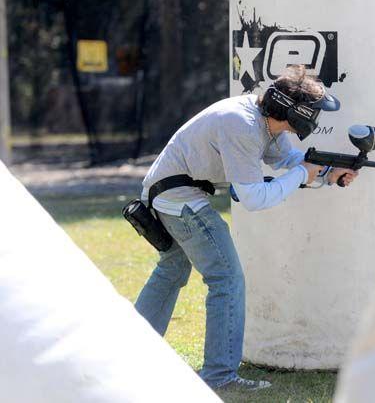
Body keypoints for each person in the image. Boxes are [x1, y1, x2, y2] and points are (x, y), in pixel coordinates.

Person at [134, 66, 357, 394]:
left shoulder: (263, 122)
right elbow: (253, 198)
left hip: (168, 192)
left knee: (171, 272)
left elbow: (291, 163)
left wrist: (328, 173)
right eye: (315, 112)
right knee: (226, 279)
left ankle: (131, 353)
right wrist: (305, 174)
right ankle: (220, 376)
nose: (317, 118)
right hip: (178, 197)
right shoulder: (242, 125)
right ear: (299, 113)